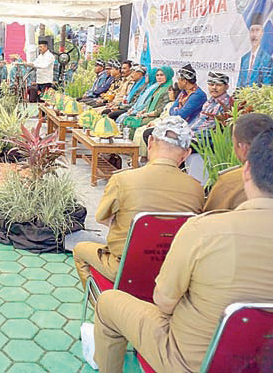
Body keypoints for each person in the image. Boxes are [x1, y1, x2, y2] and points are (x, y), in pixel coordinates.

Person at [91, 126, 273, 372]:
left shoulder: (203, 230)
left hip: (190, 363)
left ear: (246, 171)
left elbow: (163, 301)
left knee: (108, 301)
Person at [73, 116, 204, 287]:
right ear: (186, 154)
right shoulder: (197, 189)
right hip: (173, 274)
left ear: (150, 142)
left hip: (125, 268)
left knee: (79, 250)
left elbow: (102, 218)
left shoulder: (123, 179)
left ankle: (104, 307)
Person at [121, 66, 174, 136]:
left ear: (168, 75)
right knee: (127, 120)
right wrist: (142, 111)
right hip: (148, 114)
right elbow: (149, 103)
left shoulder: (169, 89)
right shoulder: (158, 87)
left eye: (162, 75)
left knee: (132, 124)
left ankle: (133, 146)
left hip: (157, 118)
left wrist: (145, 114)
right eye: (157, 75)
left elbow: (161, 110)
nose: (159, 77)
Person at [237, 12, 273, 87]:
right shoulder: (244, 58)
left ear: (262, 33)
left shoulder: (267, 59)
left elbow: (267, 85)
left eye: (257, 30)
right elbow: (239, 84)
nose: (254, 35)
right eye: (252, 30)